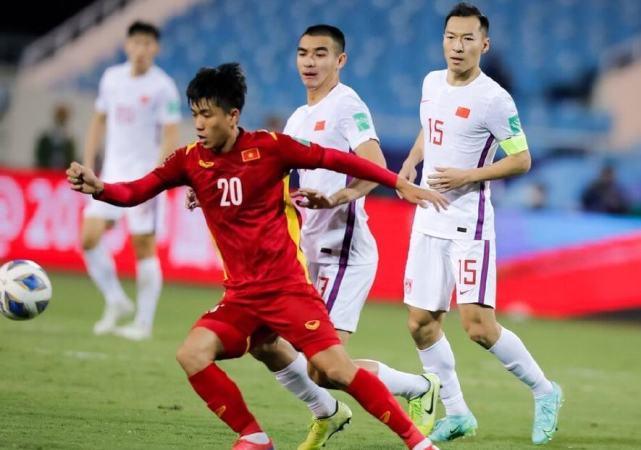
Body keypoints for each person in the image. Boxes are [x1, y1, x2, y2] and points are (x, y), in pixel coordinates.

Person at [67, 63, 447, 450]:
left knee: (333, 369)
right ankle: (254, 437)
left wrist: (398, 182)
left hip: (287, 291)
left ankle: (419, 443)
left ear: (232, 115)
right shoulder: (189, 161)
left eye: (207, 114)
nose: (198, 124)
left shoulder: (270, 148)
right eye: (195, 114)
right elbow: (136, 191)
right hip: (241, 298)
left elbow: (336, 160)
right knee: (192, 354)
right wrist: (100, 188)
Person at [398, 3, 563, 445]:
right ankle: (457, 413)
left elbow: (521, 159)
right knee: (420, 322)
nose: (457, 46)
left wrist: (467, 175)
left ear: (484, 45)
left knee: (478, 327)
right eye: (451, 37)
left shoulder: (494, 99)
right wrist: (412, 160)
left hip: (468, 225)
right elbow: (430, 126)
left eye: (467, 39)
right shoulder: (431, 82)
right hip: (427, 218)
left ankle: (545, 390)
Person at [80, 21, 181, 340]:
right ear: (127, 45)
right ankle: (116, 300)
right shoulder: (111, 78)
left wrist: (157, 176)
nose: (141, 49)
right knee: (88, 238)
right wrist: (88, 162)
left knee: (143, 246)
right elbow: (98, 120)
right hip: (110, 174)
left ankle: (143, 323)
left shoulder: (163, 87)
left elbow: (171, 133)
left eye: (147, 43)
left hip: (144, 178)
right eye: (136, 42)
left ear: (156, 48)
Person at [35, 103, 76, 170]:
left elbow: (71, 159)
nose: (61, 118)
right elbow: (40, 157)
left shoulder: (69, 140)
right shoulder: (46, 138)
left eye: (63, 116)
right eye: (60, 116)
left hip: (63, 172)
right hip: (47, 171)